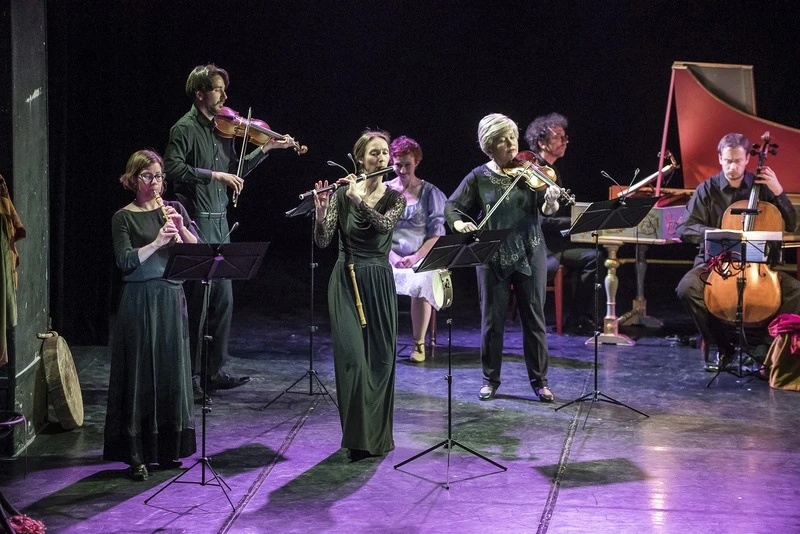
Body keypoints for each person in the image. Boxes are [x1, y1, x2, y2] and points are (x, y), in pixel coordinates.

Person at [164, 64, 295, 403]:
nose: (224, 95)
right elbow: (173, 168)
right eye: (218, 89)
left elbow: (237, 171)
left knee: (223, 301)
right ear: (200, 94)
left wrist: (265, 149)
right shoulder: (184, 128)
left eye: (224, 89)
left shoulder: (224, 130)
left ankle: (214, 371)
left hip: (221, 221)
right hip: (196, 222)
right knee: (199, 302)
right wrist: (214, 176)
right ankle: (190, 376)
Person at [445, 113, 560, 402]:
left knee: (534, 319)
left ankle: (540, 381)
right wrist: (460, 224)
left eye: (512, 137)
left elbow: (546, 211)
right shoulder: (478, 177)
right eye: (502, 140)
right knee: (491, 320)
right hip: (491, 254)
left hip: (531, 249)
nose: (511, 144)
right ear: (489, 147)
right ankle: (490, 379)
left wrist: (550, 201)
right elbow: (452, 207)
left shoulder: (531, 171)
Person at [104, 149, 198, 481]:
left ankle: (167, 448)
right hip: (140, 299)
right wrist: (157, 241)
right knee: (140, 375)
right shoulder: (122, 217)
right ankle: (136, 452)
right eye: (147, 176)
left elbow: (196, 252)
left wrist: (181, 229)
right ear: (132, 180)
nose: (154, 183)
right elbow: (125, 261)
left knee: (170, 372)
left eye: (158, 176)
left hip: (171, 297)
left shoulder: (174, 209)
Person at [312, 130, 406, 461]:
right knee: (353, 361)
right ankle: (356, 438)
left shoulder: (395, 198)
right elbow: (323, 240)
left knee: (380, 363)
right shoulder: (342, 194)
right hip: (345, 280)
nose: (381, 158)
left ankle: (375, 438)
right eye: (374, 153)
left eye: (385, 153)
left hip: (378, 280)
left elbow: (383, 226)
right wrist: (321, 212)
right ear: (361, 159)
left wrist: (358, 201)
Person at [676, 132, 800, 369]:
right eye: (728, 161)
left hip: (758, 268)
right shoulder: (707, 190)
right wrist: (717, 233)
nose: (732, 167)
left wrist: (778, 191)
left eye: (738, 161)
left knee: (796, 292)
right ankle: (724, 347)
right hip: (715, 264)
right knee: (686, 289)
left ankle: (764, 348)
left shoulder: (762, 188)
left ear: (747, 160)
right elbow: (684, 228)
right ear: (720, 158)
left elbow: (792, 223)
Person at [524, 112, 601, 333]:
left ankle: (579, 317)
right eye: (559, 137)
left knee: (595, 253)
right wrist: (577, 220)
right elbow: (539, 220)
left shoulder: (552, 171)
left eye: (565, 136)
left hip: (555, 241)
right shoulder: (534, 172)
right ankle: (579, 318)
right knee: (594, 258)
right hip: (541, 246)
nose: (565, 141)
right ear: (542, 142)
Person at [385, 136, 447, 362]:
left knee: (422, 280)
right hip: (388, 255)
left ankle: (418, 343)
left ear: (417, 162)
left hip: (420, 256)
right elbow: (377, 232)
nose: (402, 170)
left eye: (407, 165)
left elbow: (436, 235)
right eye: (397, 164)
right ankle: (381, 342)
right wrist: (392, 256)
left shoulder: (430, 193)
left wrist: (415, 257)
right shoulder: (383, 191)